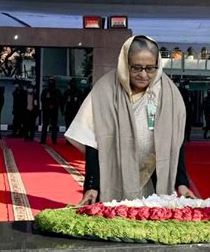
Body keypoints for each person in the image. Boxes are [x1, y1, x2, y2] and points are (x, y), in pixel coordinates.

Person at [65, 35, 195, 204]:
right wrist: (92, 185)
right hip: (114, 176)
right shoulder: (104, 90)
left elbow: (176, 143)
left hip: (154, 178)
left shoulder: (169, 93)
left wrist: (182, 183)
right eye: (136, 68)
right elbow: (93, 143)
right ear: (125, 64)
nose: (143, 75)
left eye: (150, 68)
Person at [40, 77, 62, 145]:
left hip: (54, 110)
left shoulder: (57, 91)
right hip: (46, 110)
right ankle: (43, 140)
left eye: (52, 81)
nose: (51, 82)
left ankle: (54, 140)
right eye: (50, 81)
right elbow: (42, 99)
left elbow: (60, 100)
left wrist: (54, 106)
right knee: (45, 125)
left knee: (54, 126)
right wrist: (47, 105)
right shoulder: (45, 91)